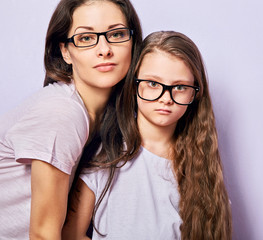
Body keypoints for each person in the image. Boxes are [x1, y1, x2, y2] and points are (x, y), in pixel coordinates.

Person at [62, 31, 232, 239]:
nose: (166, 98)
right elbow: (71, 234)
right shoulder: (106, 153)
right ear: (133, 85)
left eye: (179, 87)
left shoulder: (201, 166)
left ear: (195, 93)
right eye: (153, 83)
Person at [0, 0, 142, 238]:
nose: (104, 49)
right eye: (86, 38)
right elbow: (43, 235)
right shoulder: (63, 113)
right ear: (65, 51)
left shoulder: (107, 119)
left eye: (116, 34)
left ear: (132, 42)